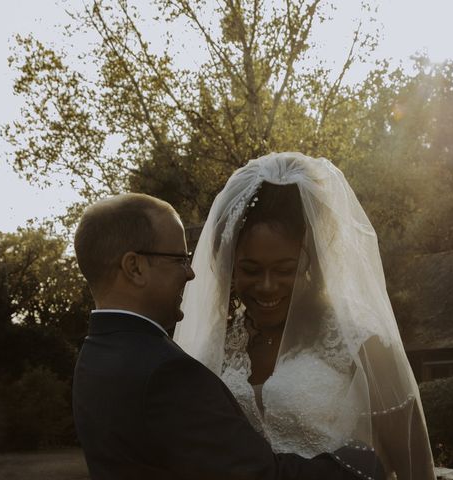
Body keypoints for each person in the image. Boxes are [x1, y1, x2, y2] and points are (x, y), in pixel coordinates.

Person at [71, 193, 377, 480]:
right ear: (134, 267)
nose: (191, 273)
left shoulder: (93, 357)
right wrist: (361, 464)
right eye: (179, 259)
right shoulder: (169, 373)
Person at [176, 153, 436, 480]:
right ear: (230, 266)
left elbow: (416, 469)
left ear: (312, 261)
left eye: (285, 270)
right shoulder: (216, 347)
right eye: (250, 270)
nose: (267, 286)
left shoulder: (363, 345)